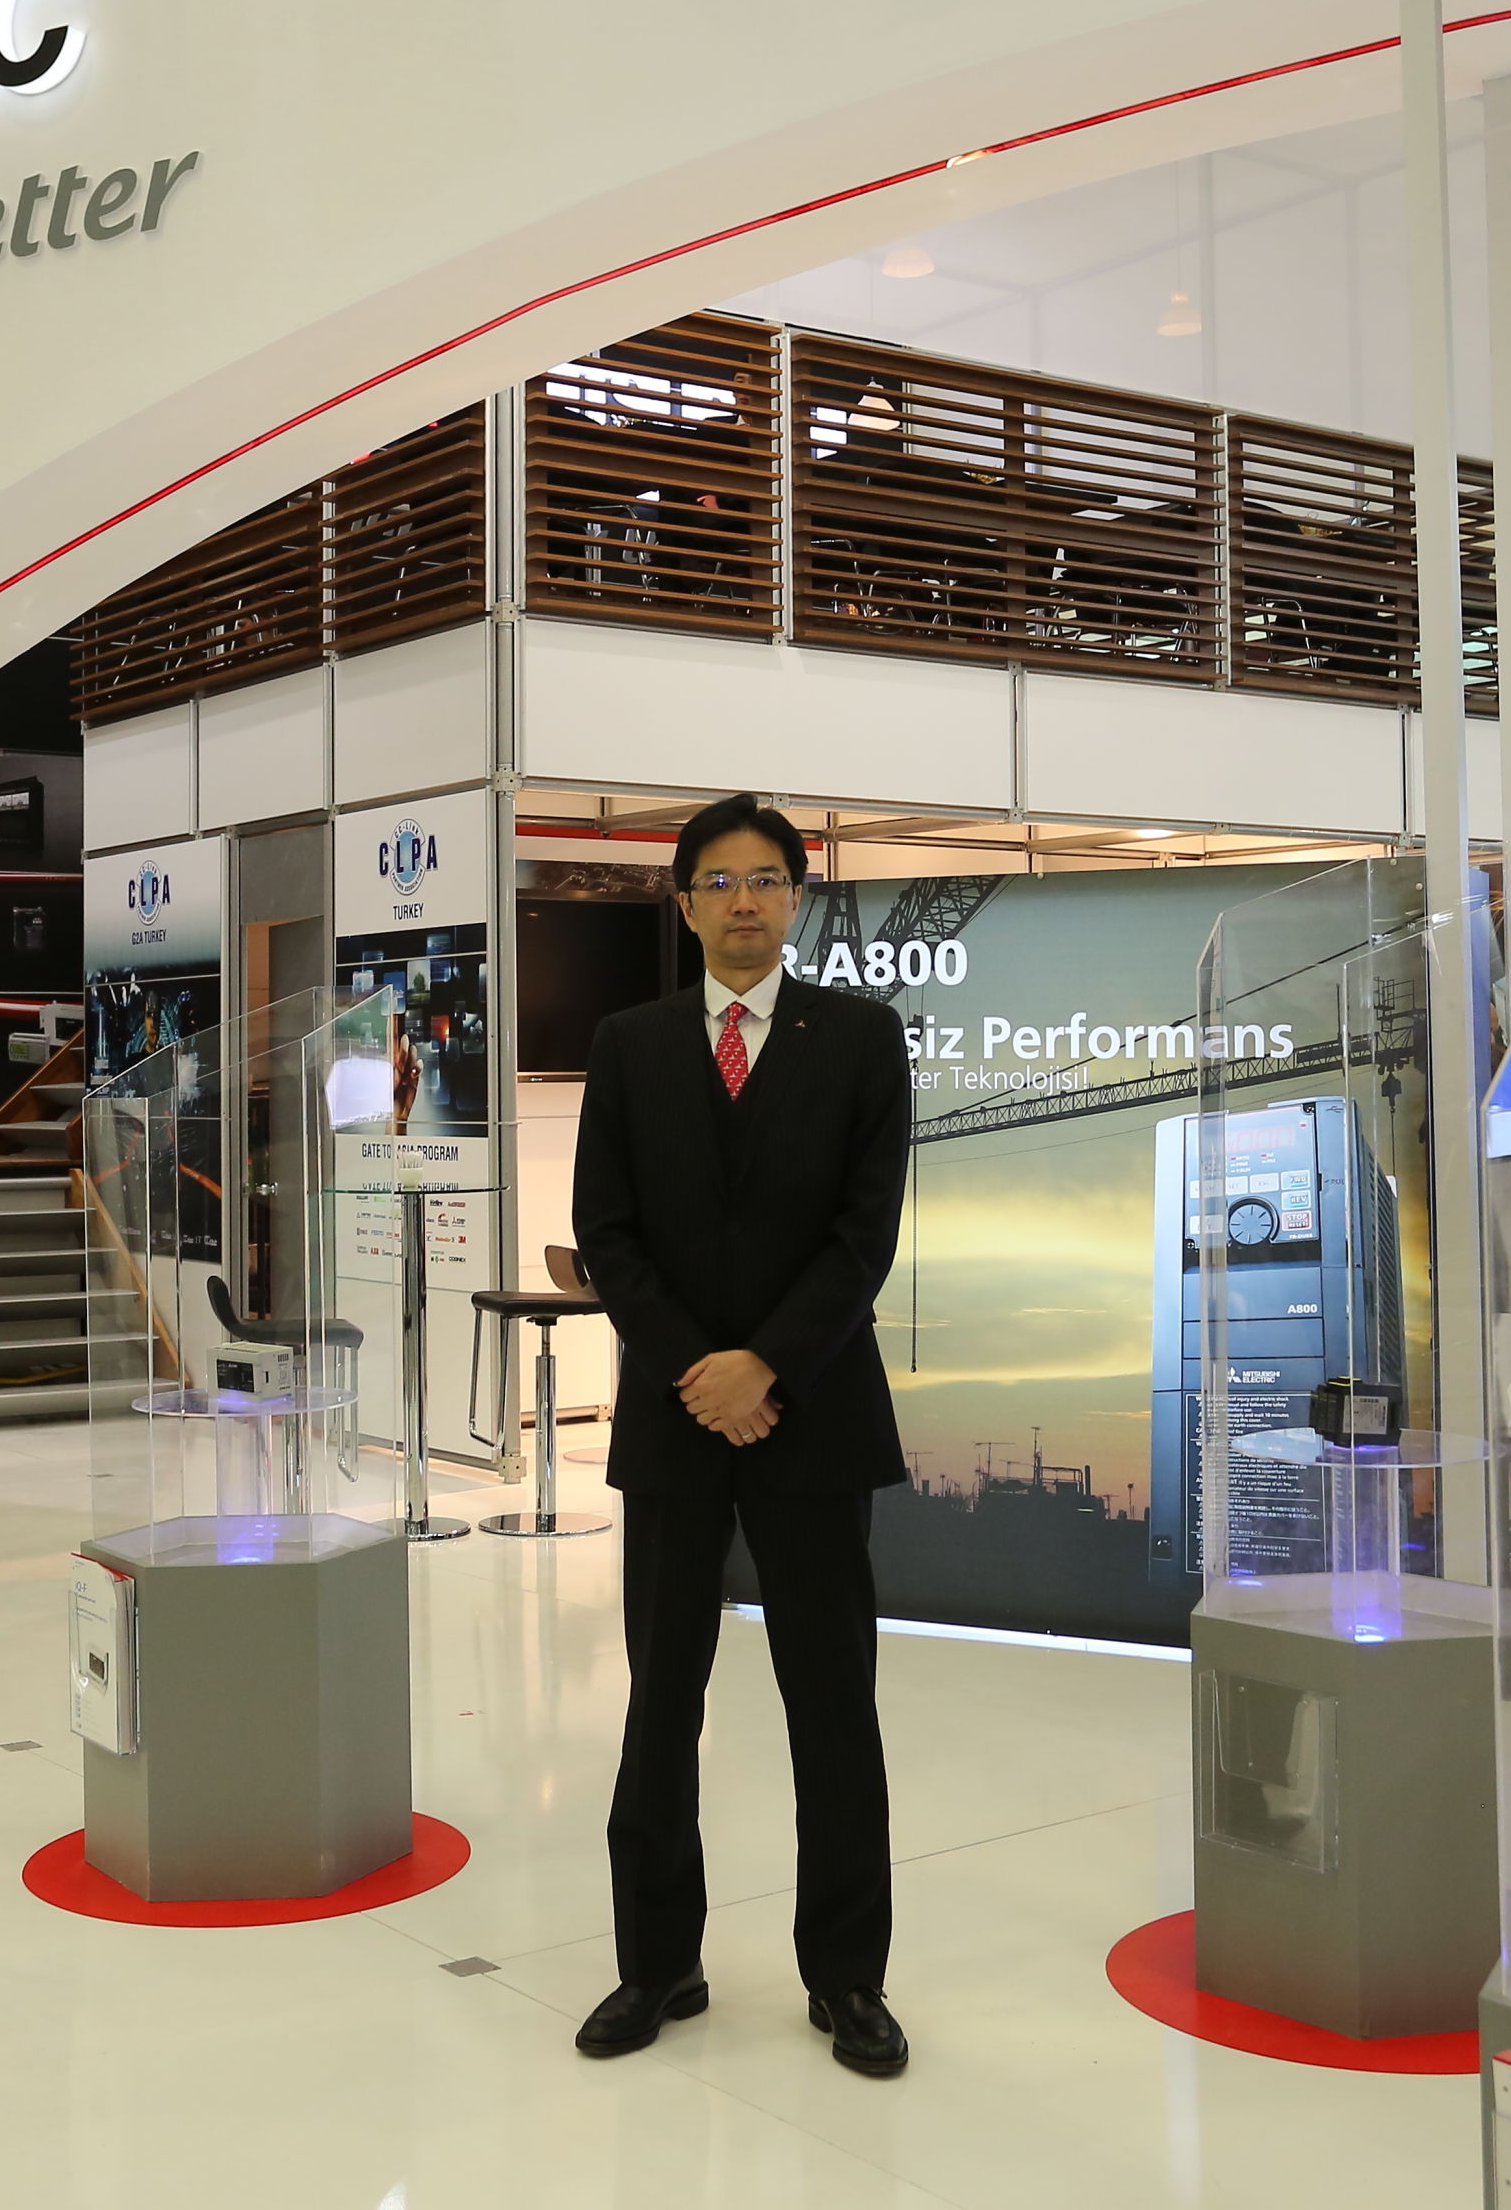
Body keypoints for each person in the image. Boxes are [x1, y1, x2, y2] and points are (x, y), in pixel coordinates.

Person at [570, 793, 913, 2077]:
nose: (744, 902)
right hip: (675, 1424)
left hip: (812, 1416)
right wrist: (697, 1371)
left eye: (767, 879)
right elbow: (607, 1233)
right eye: (718, 882)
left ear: (798, 898)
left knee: (833, 1706)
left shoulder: (862, 1038)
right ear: (683, 903)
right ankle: (657, 1963)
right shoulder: (630, 1044)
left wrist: (764, 1365)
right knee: (662, 1702)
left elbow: (864, 1236)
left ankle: (849, 1978)